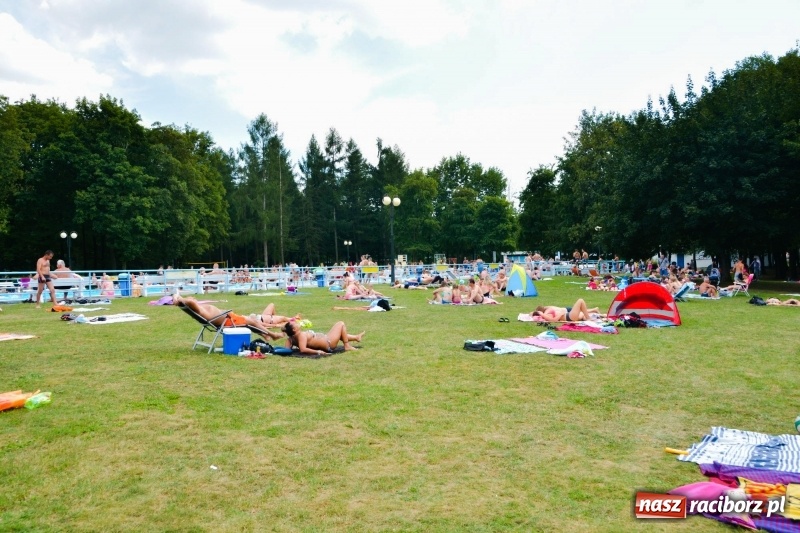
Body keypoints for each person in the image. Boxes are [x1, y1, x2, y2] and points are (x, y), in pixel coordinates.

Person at [172, 294, 287, 340]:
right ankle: (273, 335)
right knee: (252, 321)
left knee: (250, 321)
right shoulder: (199, 309)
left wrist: (177, 297)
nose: (193, 298)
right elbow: (190, 302)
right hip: (227, 320)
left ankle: (264, 334)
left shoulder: (197, 309)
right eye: (191, 298)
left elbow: (179, 297)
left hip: (226, 318)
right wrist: (182, 300)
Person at [283, 320, 364, 355]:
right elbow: (303, 349)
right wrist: (318, 352)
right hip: (329, 343)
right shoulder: (301, 335)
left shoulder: (290, 339)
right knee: (340, 324)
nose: (297, 323)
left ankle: (356, 337)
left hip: (326, 339)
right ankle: (347, 346)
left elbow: (286, 350)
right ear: (294, 329)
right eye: (295, 324)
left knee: (338, 333)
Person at [531, 298, 601, 322]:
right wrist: (560, 314)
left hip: (569, 316)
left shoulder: (545, 313)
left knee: (583, 314)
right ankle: (588, 319)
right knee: (580, 301)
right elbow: (553, 320)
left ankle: (602, 315)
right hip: (568, 316)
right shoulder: (545, 314)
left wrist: (535, 313)